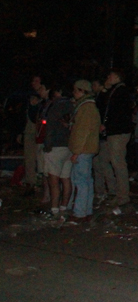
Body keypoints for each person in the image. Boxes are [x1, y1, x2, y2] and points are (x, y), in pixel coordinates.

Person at [95, 68, 134, 211]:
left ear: (117, 77)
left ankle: (123, 196)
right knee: (115, 162)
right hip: (116, 131)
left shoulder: (120, 92)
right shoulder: (116, 91)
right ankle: (120, 194)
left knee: (118, 163)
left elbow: (115, 112)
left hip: (118, 132)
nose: (108, 78)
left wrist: (107, 124)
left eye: (110, 75)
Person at [68, 80, 100, 222]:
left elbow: (83, 131)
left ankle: (80, 212)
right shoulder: (88, 106)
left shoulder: (86, 108)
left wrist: (77, 151)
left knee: (80, 181)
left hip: (83, 149)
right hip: (87, 148)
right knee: (86, 180)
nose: (74, 93)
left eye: (76, 90)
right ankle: (86, 210)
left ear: (82, 91)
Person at [42, 82, 74, 218]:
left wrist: (47, 146)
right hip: (69, 146)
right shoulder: (73, 106)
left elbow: (49, 129)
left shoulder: (55, 108)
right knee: (66, 178)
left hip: (56, 146)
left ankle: (54, 208)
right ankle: (64, 206)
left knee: (53, 180)